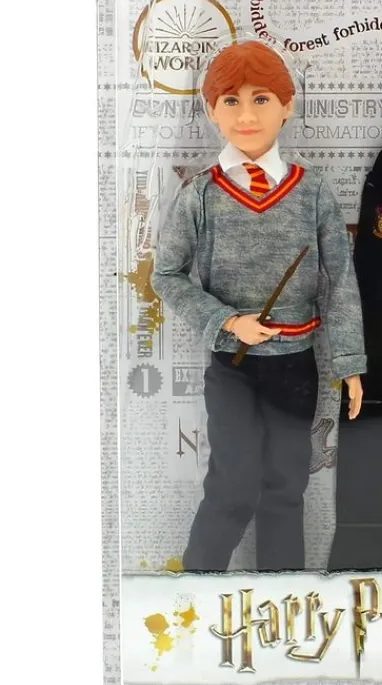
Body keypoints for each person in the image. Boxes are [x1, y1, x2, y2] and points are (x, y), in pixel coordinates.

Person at [151, 40, 366, 572]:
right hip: (233, 366)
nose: (246, 116)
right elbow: (166, 275)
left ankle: (282, 590)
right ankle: (197, 587)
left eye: (261, 99)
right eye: (231, 101)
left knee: (286, 487)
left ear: (287, 106)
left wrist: (349, 364)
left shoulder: (312, 192)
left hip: (296, 366)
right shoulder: (201, 194)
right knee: (232, 482)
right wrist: (226, 321)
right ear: (211, 110)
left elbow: (339, 280)